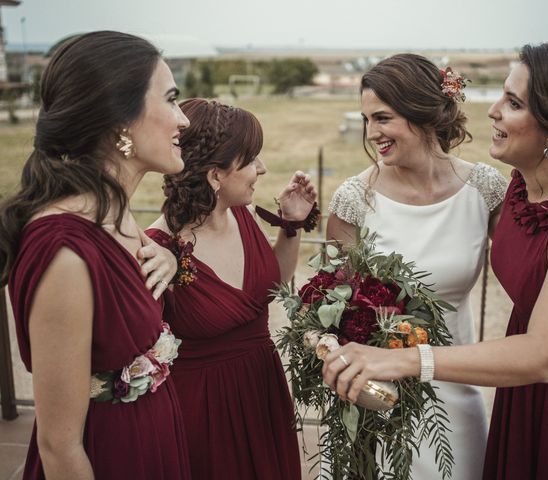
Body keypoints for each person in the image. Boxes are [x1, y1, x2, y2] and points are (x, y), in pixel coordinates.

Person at [323, 44, 548, 480]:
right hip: (521, 383)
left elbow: (545, 354)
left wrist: (408, 360)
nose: (491, 111)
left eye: (512, 102)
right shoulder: (522, 189)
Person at [0, 31, 192, 479]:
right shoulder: (64, 253)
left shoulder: (120, 219)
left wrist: (167, 258)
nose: (183, 119)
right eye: (170, 99)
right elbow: (59, 445)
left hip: (156, 441)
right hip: (108, 457)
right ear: (120, 121)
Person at [325, 53, 507, 479]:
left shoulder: (485, 190)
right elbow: (332, 309)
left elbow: (529, 275)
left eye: (382, 118)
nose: (372, 134)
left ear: (421, 112)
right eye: (366, 119)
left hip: (456, 394)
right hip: (377, 398)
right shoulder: (354, 201)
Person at [146, 98, 317, 479]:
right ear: (215, 175)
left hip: (263, 388)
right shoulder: (157, 249)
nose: (262, 168)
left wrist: (290, 224)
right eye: (251, 159)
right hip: (204, 411)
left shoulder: (240, 214)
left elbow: (268, 289)